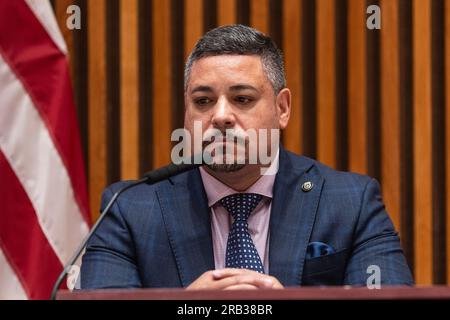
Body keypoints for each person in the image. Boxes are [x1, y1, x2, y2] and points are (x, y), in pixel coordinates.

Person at [80, 24, 413, 290]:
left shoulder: (351, 204)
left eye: (241, 98)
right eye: (203, 101)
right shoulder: (127, 210)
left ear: (282, 109)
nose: (221, 116)